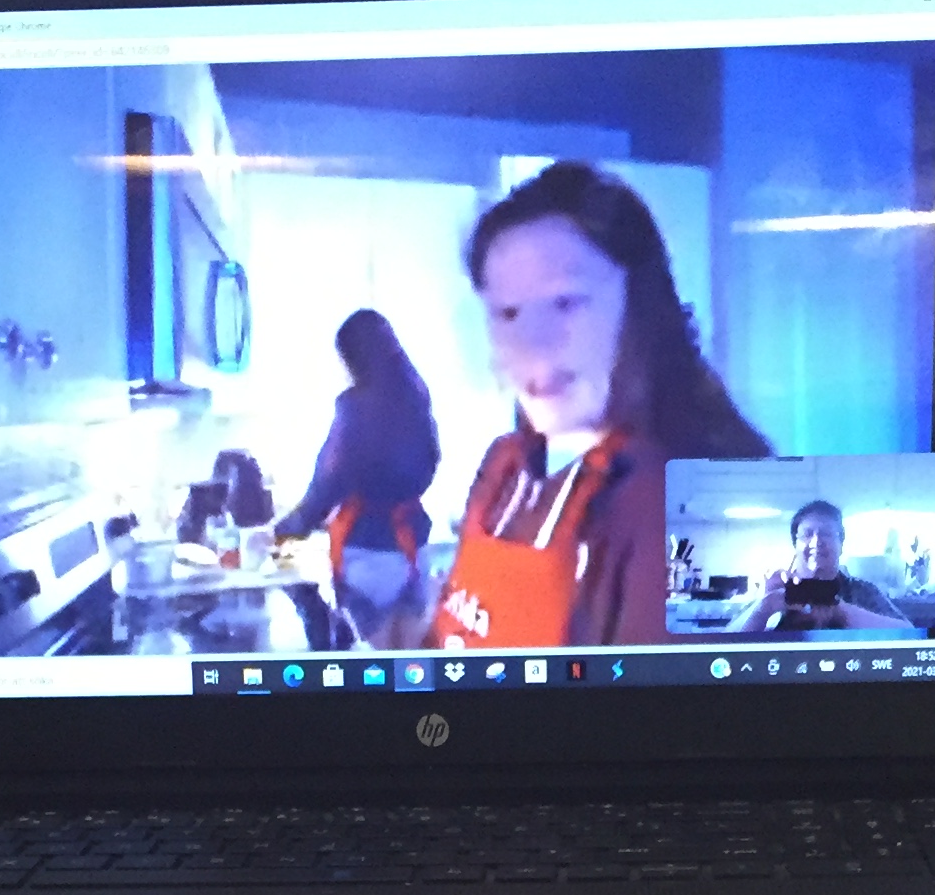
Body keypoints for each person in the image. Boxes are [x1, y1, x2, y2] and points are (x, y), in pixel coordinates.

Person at [429, 160, 770, 652]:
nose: (533, 344)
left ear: (642, 305)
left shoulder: (706, 510)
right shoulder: (505, 469)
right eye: (508, 313)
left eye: (565, 303)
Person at [272, 310, 443, 649]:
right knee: (411, 665)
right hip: (413, 546)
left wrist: (285, 530)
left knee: (373, 666)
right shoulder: (416, 397)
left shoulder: (355, 407)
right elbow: (431, 461)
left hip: (367, 555)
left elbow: (328, 484)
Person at [731, 499, 915, 636]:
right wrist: (764, 607)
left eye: (826, 533)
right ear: (795, 545)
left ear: (841, 545)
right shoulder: (775, 589)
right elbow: (724, 644)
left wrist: (840, 612)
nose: (816, 542)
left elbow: (909, 635)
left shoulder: (863, 591)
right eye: (807, 534)